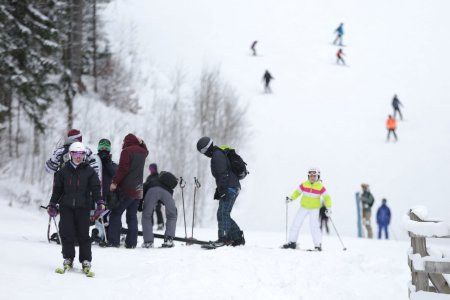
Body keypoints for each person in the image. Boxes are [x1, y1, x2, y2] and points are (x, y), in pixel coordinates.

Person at [47, 142, 103, 273]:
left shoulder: (90, 171)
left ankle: (85, 260)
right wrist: (52, 204)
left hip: (83, 207)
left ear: (84, 155)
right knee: (67, 233)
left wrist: (99, 202)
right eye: (76, 153)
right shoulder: (63, 171)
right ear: (70, 154)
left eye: (81, 153)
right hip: (66, 207)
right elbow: (57, 190)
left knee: (84, 234)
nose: (78, 156)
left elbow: (96, 188)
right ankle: (68, 258)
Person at [196, 136, 245, 247]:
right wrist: (221, 189)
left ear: (208, 147)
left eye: (204, 150)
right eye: (201, 152)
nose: (204, 153)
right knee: (224, 214)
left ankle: (223, 238)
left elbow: (223, 173)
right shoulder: (218, 154)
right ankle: (237, 238)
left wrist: (222, 190)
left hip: (230, 187)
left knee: (223, 213)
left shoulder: (217, 155)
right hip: (232, 186)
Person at [105, 134, 148, 248]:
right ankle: (132, 243)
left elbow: (122, 169)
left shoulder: (127, 151)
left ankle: (113, 241)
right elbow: (146, 150)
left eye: (124, 141)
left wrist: (114, 182)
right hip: (138, 190)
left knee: (115, 213)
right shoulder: (142, 152)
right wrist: (142, 142)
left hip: (127, 189)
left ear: (127, 141)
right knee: (132, 216)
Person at [282, 168, 332, 251]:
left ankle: (318, 245)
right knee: (296, 223)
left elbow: (327, 198)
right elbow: (297, 192)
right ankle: (292, 242)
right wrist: (291, 198)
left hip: (314, 209)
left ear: (317, 176)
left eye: (314, 176)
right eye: (310, 175)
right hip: (304, 207)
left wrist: (328, 208)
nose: (312, 177)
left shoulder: (320, 187)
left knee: (314, 226)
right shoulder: (304, 184)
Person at [141, 171, 178, 248]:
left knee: (146, 216)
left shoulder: (151, 180)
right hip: (167, 193)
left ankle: (148, 242)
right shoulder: (166, 183)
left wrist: (139, 204)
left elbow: (143, 188)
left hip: (152, 191)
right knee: (172, 216)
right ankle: (168, 240)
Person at [92, 138, 118, 244]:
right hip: (96, 193)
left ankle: (104, 234)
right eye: (101, 147)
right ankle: (98, 233)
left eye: (105, 148)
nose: (103, 150)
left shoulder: (111, 163)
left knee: (106, 215)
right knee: (97, 214)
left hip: (108, 195)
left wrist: (107, 162)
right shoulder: (94, 161)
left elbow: (116, 173)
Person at [142, 163, 164, 231]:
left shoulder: (159, 177)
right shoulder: (149, 177)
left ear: (155, 169)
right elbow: (145, 186)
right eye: (150, 169)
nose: (150, 170)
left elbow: (162, 186)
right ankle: (150, 224)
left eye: (151, 168)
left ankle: (160, 224)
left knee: (158, 209)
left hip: (158, 196)